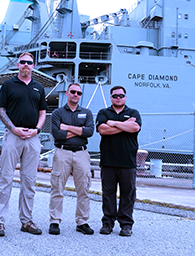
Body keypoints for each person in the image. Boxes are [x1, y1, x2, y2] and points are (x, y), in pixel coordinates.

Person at [0, 52, 47, 236]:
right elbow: (1, 109)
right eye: (22, 62)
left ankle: (27, 221)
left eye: (29, 62)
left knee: (29, 181)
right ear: (18, 64)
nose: (25, 65)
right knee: (5, 178)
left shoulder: (38, 87)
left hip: (32, 137)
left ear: (33, 65)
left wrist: (37, 130)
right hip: (13, 135)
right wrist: (13, 128)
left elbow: (42, 112)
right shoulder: (8, 85)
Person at [48, 83, 94, 236]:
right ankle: (55, 221)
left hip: (81, 153)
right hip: (62, 153)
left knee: (83, 189)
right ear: (67, 93)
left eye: (79, 93)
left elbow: (89, 132)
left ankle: (82, 222)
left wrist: (66, 127)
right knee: (57, 187)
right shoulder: (57, 112)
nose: (76, 94)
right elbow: (57, 134)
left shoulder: (86, 112)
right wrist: (79, 131)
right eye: (73, 92)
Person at [96, 85, 141, 237]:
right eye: (115, 96)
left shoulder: (133, 112)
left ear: (125, 97)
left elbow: (135, 128)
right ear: (111, 98)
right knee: (108, 194)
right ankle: (107, 223)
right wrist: (125, 126)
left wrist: (113, 123)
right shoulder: (103, 112)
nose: (118, 98)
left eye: (121, 95)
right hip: (108, 161)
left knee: (128, 194)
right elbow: (102, 130)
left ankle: (126, 224)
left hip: (127, 162)